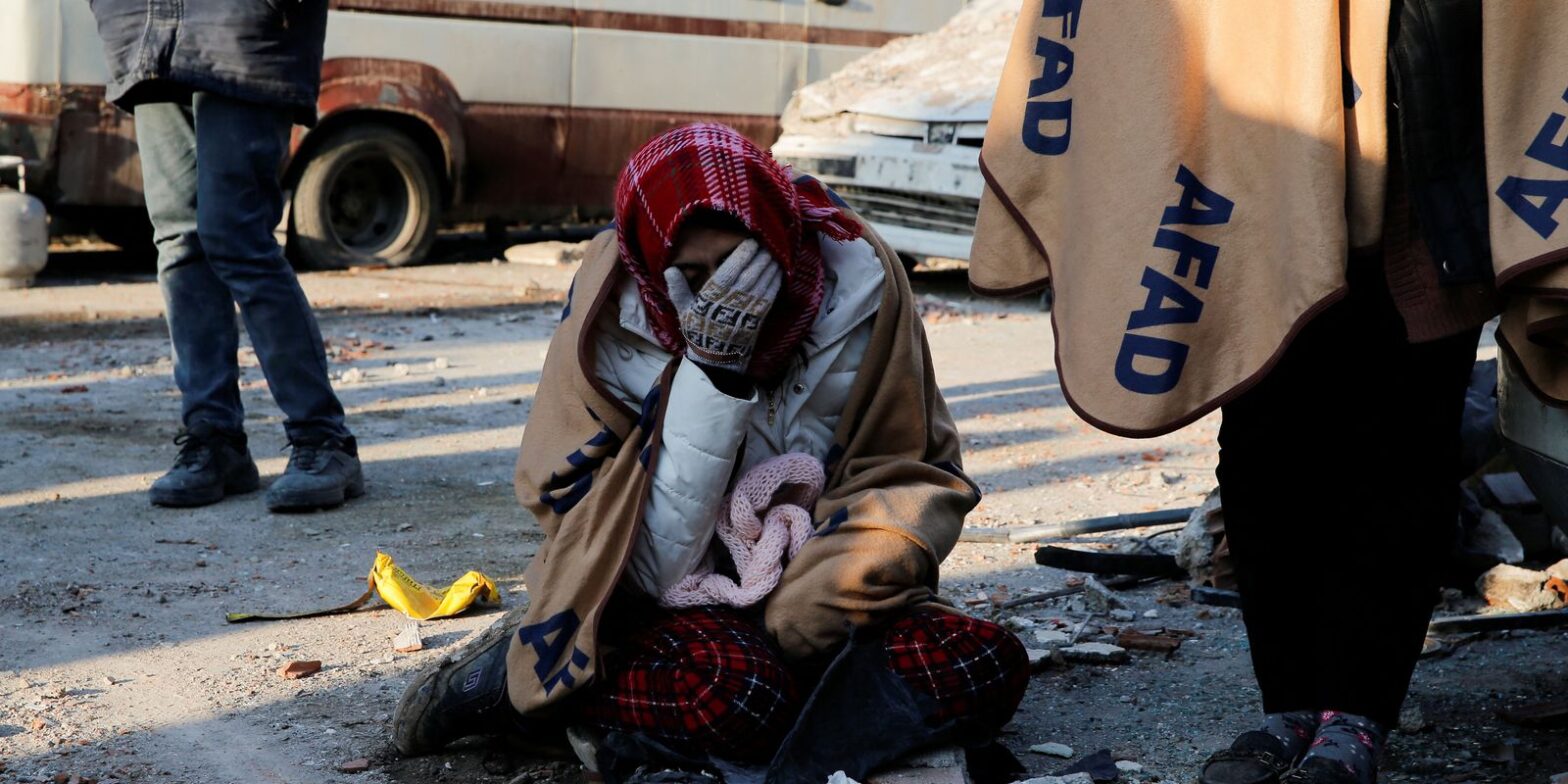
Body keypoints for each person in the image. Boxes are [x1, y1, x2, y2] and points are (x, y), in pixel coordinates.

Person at [966, 1, 1567, 781]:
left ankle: (1357, 715)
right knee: (1261, 453)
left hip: (1426, 189)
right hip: (1258, 187)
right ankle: (1285, 706)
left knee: (1404, 457)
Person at [391, 124, 1028, 777]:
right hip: (671, 598)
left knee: (985, 660)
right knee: (741, 695)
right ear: (650, 265)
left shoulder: (859, 280)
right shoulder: (609, 320)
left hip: (826, 589)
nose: (730, 296)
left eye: (744, 265)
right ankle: (526, 686)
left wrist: (830, 589)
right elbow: (641, 565)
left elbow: (910, 471)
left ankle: (776, 739)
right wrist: (712, 374)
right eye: (694, 275)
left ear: (781, 239)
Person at [88, 2, 364, 511]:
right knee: (179, 240)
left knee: (237, 238)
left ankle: (324, 439)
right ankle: (214, 439)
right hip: (146, 30)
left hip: (241, 27)